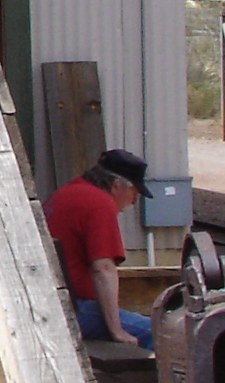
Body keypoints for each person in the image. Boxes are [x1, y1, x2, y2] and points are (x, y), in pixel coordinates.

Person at [45, 149, 153, 348]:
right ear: (116, 185)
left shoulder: (68, 192)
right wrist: (116, 330)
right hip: (74, 309)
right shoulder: (100, 205)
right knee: (163, 334)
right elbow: (102, 268)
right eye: (134, 193)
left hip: (51, 302)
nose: (134, 201)